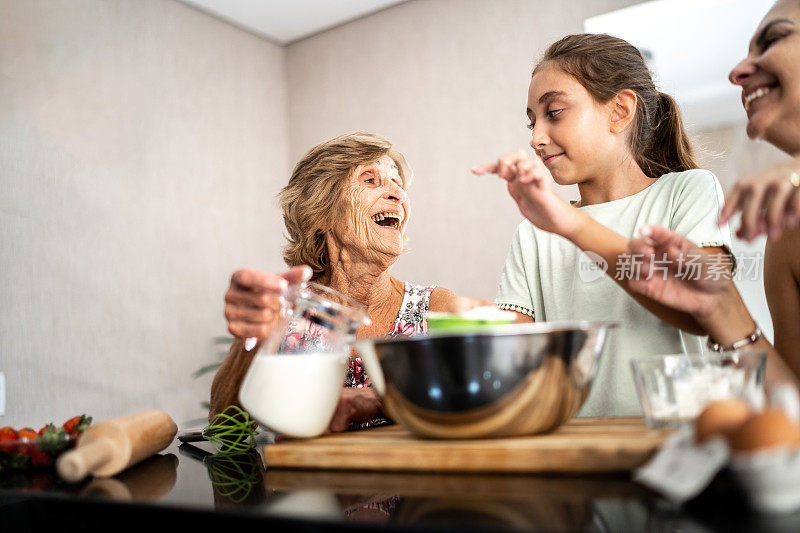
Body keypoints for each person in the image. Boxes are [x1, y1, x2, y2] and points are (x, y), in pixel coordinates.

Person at [471, 33, 737, 416]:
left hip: (677, 441)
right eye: (532, 122)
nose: (536, 138)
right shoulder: (534, 232)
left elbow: (707, 307)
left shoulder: (687, 191)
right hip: (578, 449)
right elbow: (513, 358)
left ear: (620, 110)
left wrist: (569, 224)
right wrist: (468, 321)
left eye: (554, 113)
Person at [210, 132, 482, 431]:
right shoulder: (286, 309)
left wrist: (379, 398)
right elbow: (225, 429)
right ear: (321, 211)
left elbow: (471, 400)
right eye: (370, 180)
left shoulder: (436, 308)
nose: (397, 194)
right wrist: (250, 338)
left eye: (398, 184)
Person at [628, 0, 800, 384]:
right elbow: (793, 412)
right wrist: (723, 308)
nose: (737, 72)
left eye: (773, 39)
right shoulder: (788, 233)